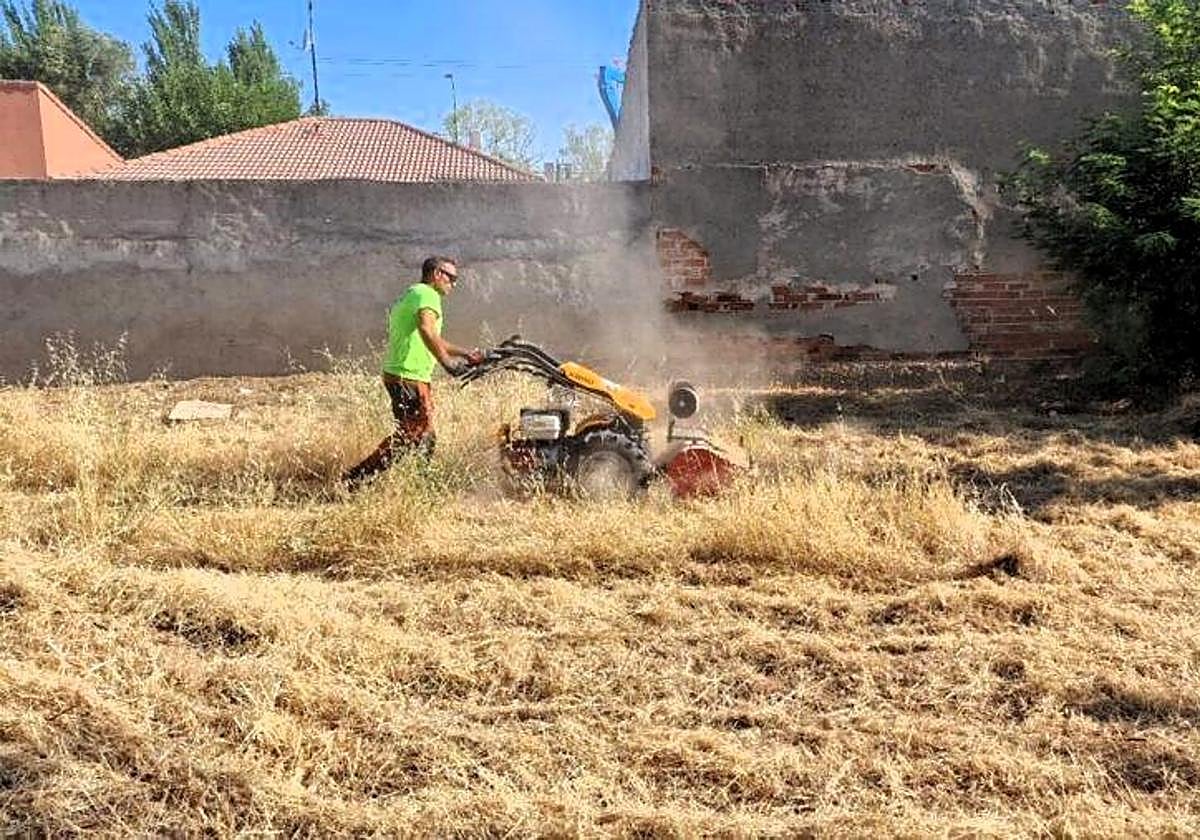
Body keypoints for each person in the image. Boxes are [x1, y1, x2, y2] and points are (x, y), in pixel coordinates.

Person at [341, 256, 482, 487]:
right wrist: (447, 363)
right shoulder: (428, 295)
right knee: (411, 436)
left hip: (405, 375)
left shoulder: (413, 294)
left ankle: (422, 484)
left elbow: (433, 338)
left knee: (424, 437)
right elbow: (427, 330)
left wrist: (466, 354)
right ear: (437, 274)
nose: (453, 284)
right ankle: (354, 479)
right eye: (451, 278)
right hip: (409, 376)